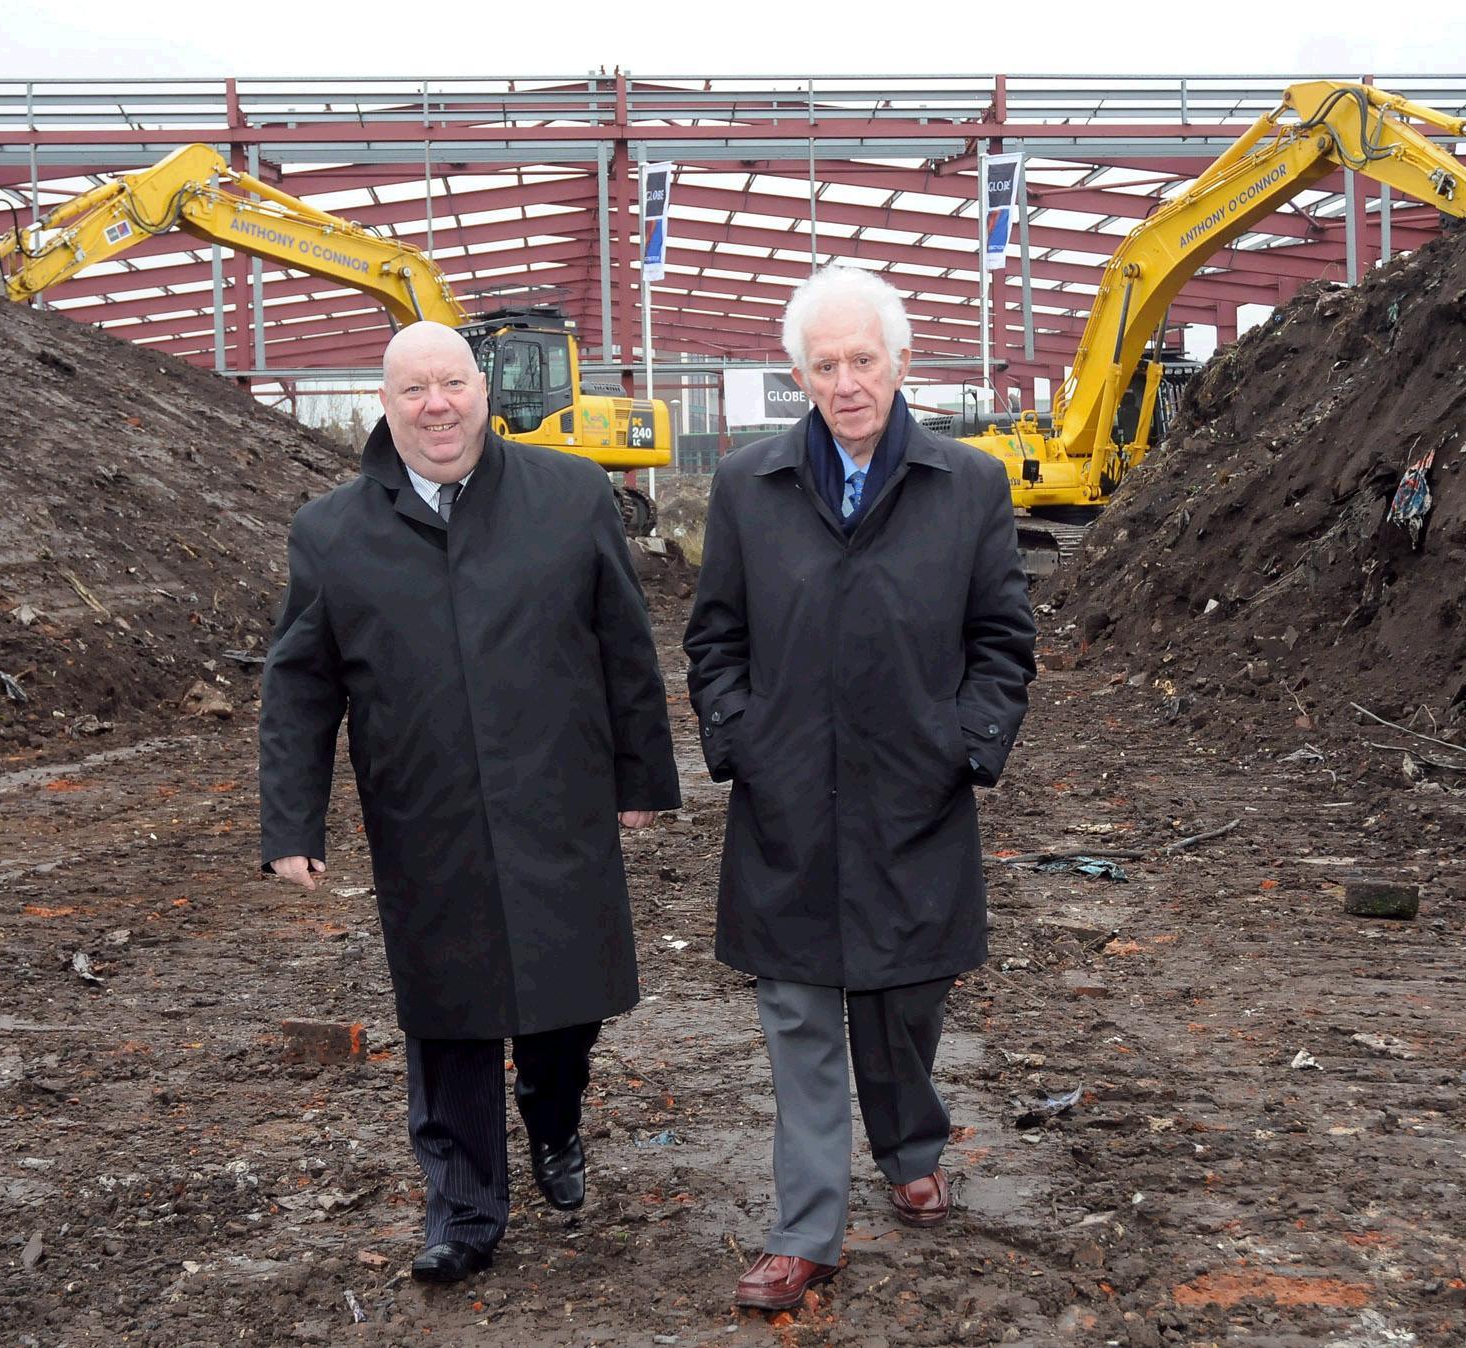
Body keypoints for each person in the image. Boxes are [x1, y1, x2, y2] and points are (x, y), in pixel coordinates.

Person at [260, 321, 680, 1284]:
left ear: (483, 390)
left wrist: (642, 776)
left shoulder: (570, 495)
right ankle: (463, 1210)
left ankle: (553, 1111)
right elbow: (300, 688)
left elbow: (625, 646)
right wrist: (291, 823)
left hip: (557, 795)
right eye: (414, 390)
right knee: (449, 1016)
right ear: (385, 405)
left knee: (566, 1005)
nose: (437, 405)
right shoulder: (331, 532)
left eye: (452, 382)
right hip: (426, 815)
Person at [683, 265, 1036, 1311]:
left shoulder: (967, 484)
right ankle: (806, 1230)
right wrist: (744, 740)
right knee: (797, 1009)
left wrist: (964, 745)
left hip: (914, 796)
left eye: (863, 360)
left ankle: (908, 1142)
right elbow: (715, 637)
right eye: (825, 365)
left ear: (901, 362)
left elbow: (1002, 638)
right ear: (798, 376)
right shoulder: (748, 486)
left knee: (902, 994)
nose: (846, 382)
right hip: (787, 799)